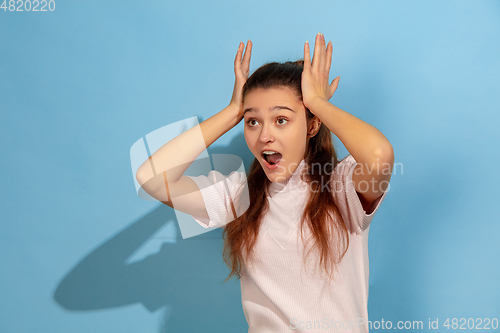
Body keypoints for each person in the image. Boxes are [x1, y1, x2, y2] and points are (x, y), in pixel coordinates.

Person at [136, 32, 394, 332]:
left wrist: (317, 102)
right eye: (252, 121)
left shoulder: (342, 189)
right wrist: (233, 111)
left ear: (312, 125)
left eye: (281, 119)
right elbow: (150, 178)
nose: (264, 136)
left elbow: (379, 155)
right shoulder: (239, 196)